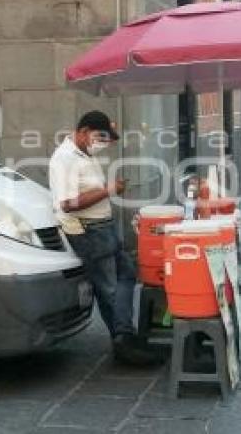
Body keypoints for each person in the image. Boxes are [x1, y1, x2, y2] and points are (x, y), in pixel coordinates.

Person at [48, 110, 157, 365]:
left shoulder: (84, 154)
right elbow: (67, 203)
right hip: (87, 231)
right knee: (108, 287)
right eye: (100, 138)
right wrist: (108, 190)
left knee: (127, 273)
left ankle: (124, 334)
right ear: (84, 132)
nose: (103, 144)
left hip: (104, 227)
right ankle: (124, 341)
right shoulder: (64, 159)